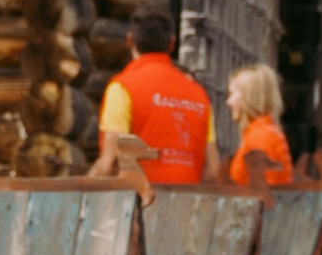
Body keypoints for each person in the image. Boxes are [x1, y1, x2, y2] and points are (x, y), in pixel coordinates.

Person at [94, 10, 216, 183]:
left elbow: (109, 163)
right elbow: (212, 171)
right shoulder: (199, 94)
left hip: (139, 203)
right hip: (187, 202)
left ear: (129, 41)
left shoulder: (123, 87)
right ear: (172, 44)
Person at [224, 62, 294, 185]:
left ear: (249, 97)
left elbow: (263, 193)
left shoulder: (260, 137)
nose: (228, 101)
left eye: (232, 93)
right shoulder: (264, 132)